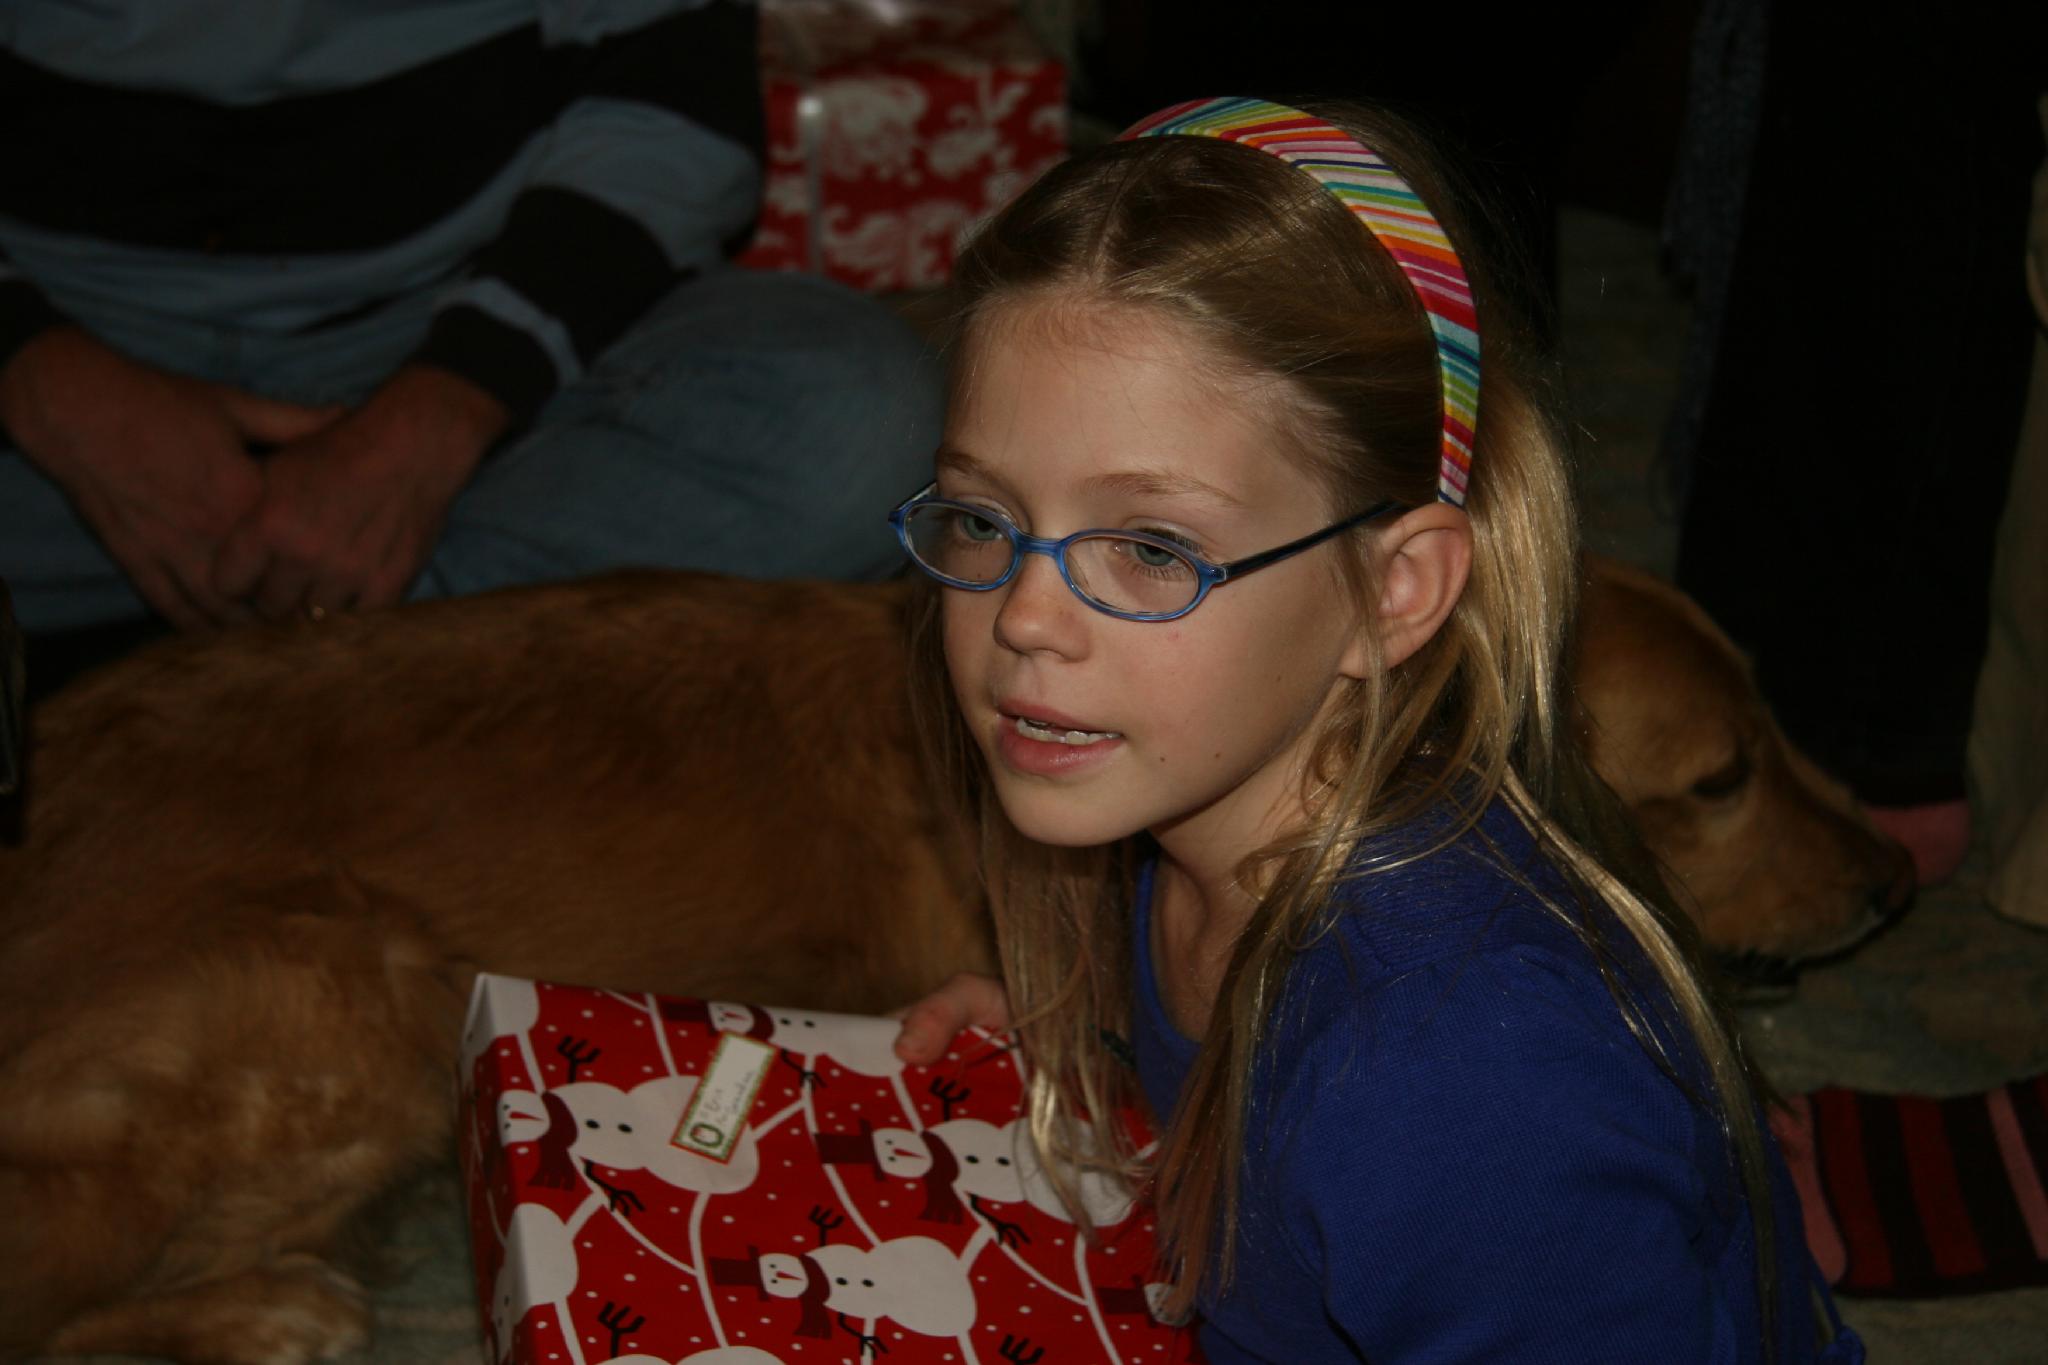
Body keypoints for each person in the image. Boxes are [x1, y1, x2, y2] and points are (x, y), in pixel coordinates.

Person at [887, 97, 1860, 1361]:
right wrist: (1102, 1048)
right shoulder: (1188, 809)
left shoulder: (1454, 1078)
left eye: (1151, 548)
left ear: (1390, 593)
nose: (1021, 617)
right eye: (982, 520)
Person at [0, 0, 939, 637]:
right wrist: (47, 384)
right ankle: (375, 643)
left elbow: (670, 109)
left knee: (859, 426)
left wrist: (445, 411)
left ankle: (272, 641)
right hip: (50, 348)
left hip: (457, 326)